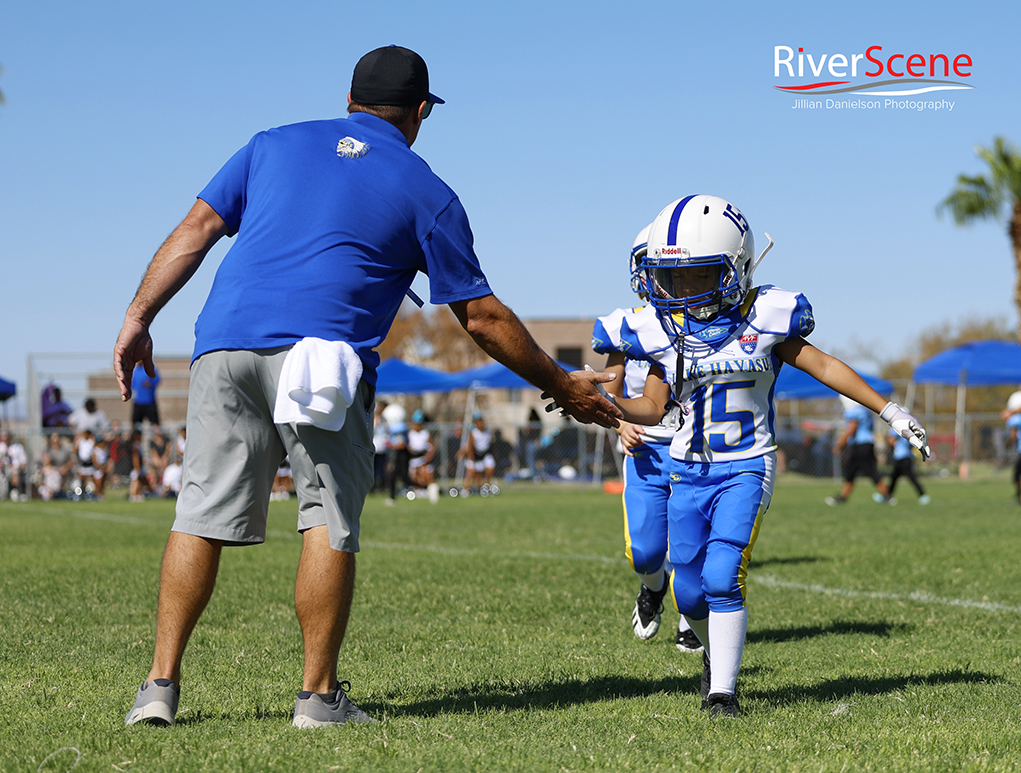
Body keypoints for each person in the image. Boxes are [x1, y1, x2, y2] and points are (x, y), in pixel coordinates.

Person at [114, 45, 619, 729]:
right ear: (418, 113)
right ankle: (317, 698)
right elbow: (481, 316)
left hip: (224, 343)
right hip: (321, 357)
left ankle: (157, 689)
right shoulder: (423, 186)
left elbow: (197, 227)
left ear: (349, 100)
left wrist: (139, 316)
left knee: (198, 513)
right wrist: (564, 383)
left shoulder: (269, 145)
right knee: (327, 516)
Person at [605, 195, 930, 717]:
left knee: (722, 576)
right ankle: (714, 653)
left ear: (734, 267)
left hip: (747, 465)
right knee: (689, 594)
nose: (681, 291)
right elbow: (651, 406)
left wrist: (889, 411)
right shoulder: (665, 331)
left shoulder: (767, 315)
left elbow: (823, 366)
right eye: (674, 277)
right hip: (687, 471)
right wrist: (604, 406)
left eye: (695, 277)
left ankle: (723, 694)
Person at [592, 225, 702, 654]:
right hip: (648, 446)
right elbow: (610, 390)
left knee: (691, 544)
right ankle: (653, 588)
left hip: (696, 445)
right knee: (644, 551)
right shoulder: (628, 327)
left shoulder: (707, 323)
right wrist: (619, 424)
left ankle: (693, 618)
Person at [825, 396, 896, 506]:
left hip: (861, 445)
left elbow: (852, 428)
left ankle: (886, 495)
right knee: (851, 470)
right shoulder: (865, 411)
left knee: (869, 470)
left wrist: (839, 443)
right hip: (867, 443)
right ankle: (843, 497)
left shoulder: (854, 411)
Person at [886, 427, 930, 504]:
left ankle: (922, 495)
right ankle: (887, 495)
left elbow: (891, 441)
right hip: (907, 455)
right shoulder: (908, 428)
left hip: (901, 456)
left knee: (910, 476)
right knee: (894, 477)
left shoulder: (895, 427)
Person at [407, 410, 439, 503]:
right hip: (413, 458)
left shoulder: (425, 434)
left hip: (423, 457)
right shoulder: (410, 433)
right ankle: (417, 491)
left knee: (427, 474)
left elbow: (432, 447)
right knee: (415, 476)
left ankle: (432, 492)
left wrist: (428, 457)